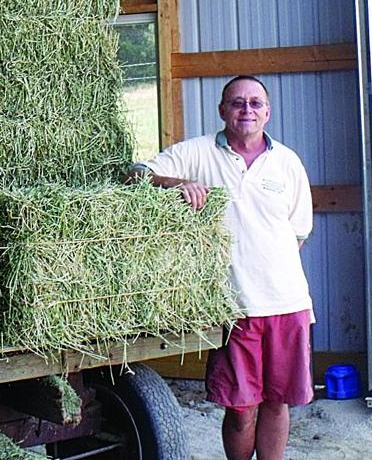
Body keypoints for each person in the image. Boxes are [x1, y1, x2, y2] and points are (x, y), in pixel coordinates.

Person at [128, 75, 314, 460]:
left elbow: (298, 233)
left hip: (288, 304)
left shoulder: (287, 162)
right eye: (237, 103)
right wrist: (176, 183)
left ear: (268, 112)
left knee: (278, 403)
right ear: (222, 110)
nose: (247, 110)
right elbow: (137, 172)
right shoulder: (199, 153)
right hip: (235, 308)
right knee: (241, 408)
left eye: (255, 103)